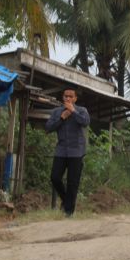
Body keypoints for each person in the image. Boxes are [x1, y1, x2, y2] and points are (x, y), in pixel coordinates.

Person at [45, 88, 90, 217]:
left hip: (77, 151)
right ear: (62, 97)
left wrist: (73, 111)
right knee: (55, 177)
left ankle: (69, 212)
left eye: (71, 96)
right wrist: (61, 118)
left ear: (75, 99)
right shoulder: (56, 112)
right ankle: (66, 201)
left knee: (72, 182)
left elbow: (85, 122)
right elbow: (48, 128)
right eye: (65, 96)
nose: (68, 98)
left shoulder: (81, 110)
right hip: (61, 150)